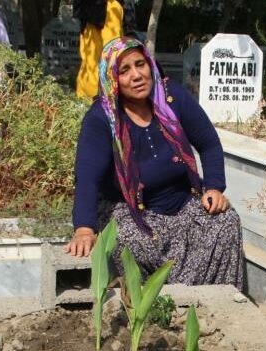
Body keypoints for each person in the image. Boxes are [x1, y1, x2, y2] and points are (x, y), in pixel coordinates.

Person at [65, 37, 244, 290]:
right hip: (130, 210)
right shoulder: (101, 118)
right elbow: (87, 178)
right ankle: (154, 308)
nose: (136, 75)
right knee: (127, 240)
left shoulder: (172, 96)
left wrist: (214, 187)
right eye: (124, 70)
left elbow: (209, 143)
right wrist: (84, 228)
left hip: (181, 201)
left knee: (225, 222)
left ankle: (210, 305)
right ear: (112, 78)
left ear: (151, 64)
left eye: (141, 64)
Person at [74, 0, 134, 99]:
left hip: (108, 12)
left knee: (110, 57)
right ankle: (93, 98)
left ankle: (103, 98)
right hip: (94, 13)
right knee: (95, 59)